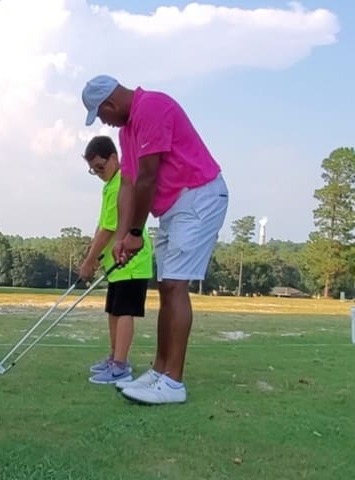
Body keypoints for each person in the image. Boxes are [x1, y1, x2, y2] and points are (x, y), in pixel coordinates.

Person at [81, 75, 229, 405]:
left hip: (198, 195)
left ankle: (172, 382)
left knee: (175, 285)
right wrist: (121, 237)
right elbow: (128, 186)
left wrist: (135, 233)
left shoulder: (152, 107)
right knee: (166, 286)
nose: (103, 121)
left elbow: (148, 178)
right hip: (174, 205)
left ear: (110, 104)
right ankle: (160, 371)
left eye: (101, 114)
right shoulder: (127, 129)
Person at [77, 135, 154, 385]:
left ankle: (120, 366)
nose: (99, 173)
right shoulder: (109, 185)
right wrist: (94, 254)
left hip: (131, 261)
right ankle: (114, 357)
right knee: (113, 310)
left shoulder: (122, 181)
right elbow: (102, 226)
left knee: (124, 312)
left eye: (101, 167)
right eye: (93, 170)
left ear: (114, 157)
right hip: (115, 263)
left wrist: (90, 262)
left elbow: (110, 229)